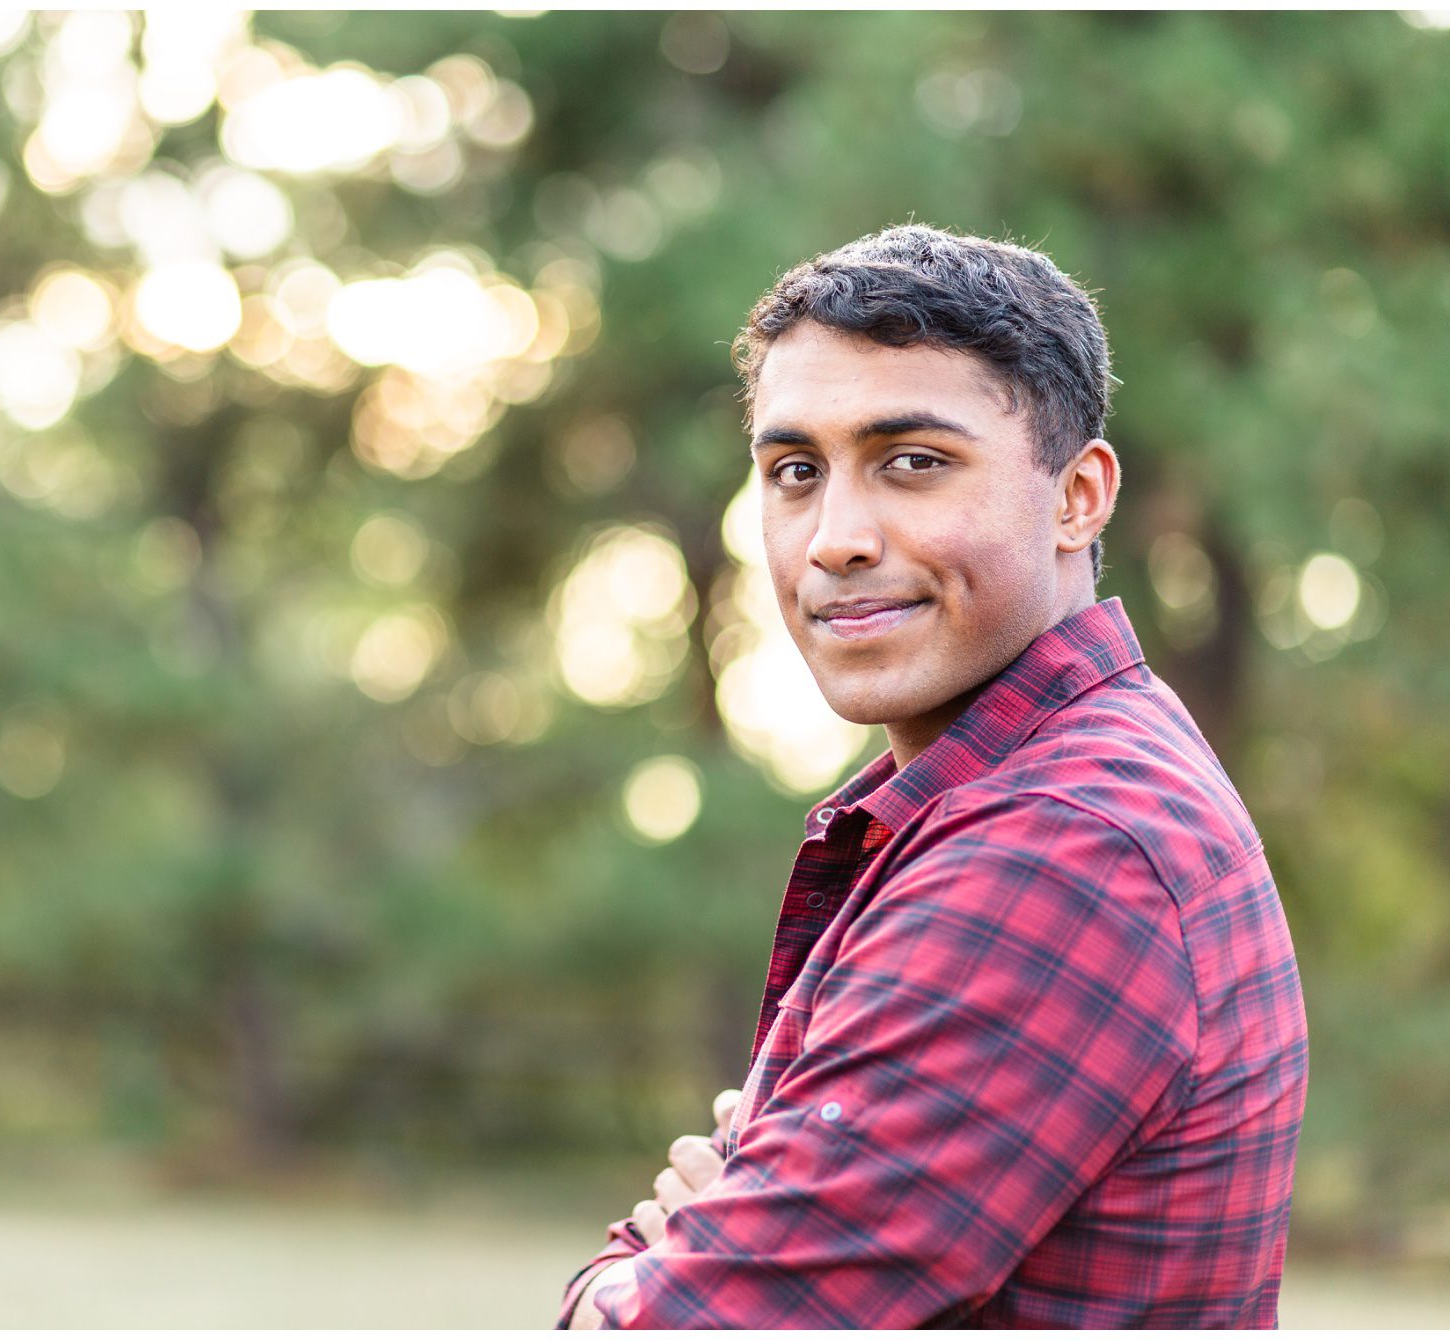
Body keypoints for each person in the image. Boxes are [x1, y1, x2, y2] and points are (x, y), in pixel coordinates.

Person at [558, 225, 1308, 1328]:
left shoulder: (1061, 844)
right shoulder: (1015, 793)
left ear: (1076, 496)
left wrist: (646, 1269)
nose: (835, 538)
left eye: (911, 461)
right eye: (793, 472)